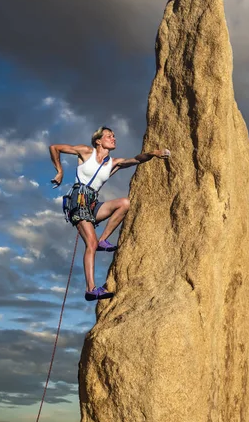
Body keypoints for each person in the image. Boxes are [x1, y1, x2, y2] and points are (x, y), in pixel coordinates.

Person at [49, 126, 170, 301]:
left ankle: (102, 240)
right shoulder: (86, 152)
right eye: (109, 136)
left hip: (92, 203)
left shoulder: (113, 163)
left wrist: (152, 153)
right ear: (98, 141)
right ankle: (91, 289)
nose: (113, 138)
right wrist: (59, 171)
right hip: (78, 199)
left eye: (114, 136)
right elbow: (55, 148)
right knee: (90, 243)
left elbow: (136, 159)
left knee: (124, 203)